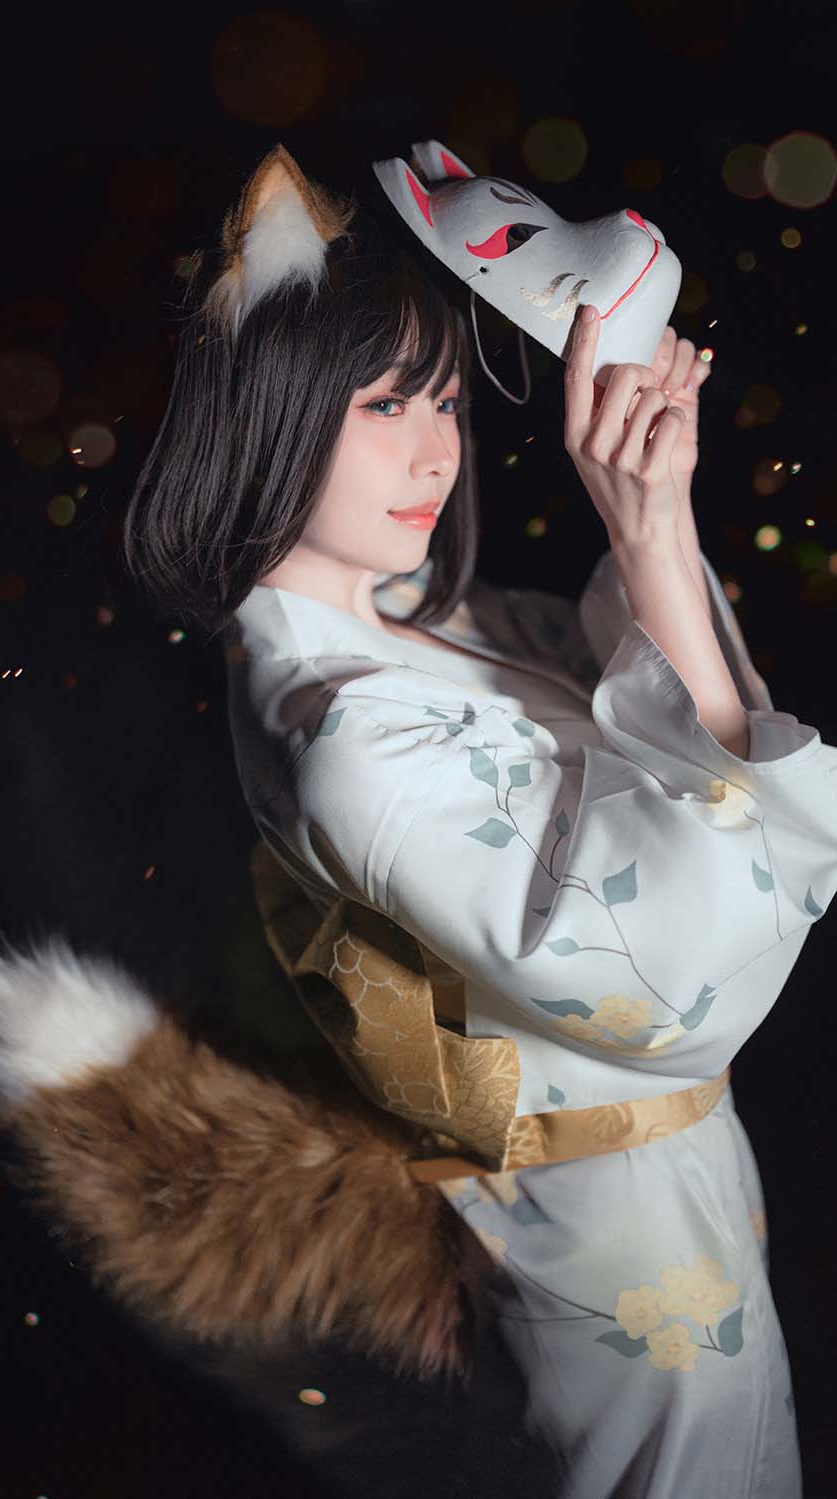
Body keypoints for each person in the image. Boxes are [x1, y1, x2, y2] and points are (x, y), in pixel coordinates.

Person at [119, 143, 837, 1498]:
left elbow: (660, 703)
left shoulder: (420, 625)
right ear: (269, 413)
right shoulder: (345, 739)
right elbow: (678, 975)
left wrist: (653, 532)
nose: (437, 448)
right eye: (387, 402)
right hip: (606, 1226)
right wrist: (653, 540)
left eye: (447, 399)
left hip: (668, 1178)